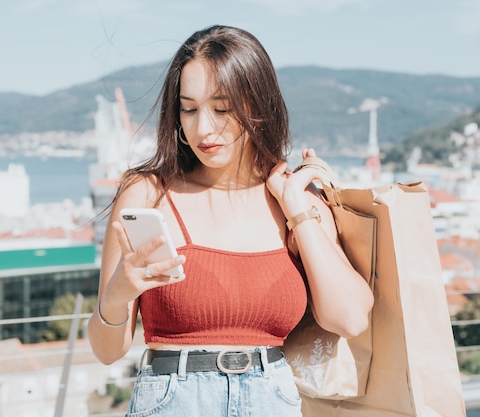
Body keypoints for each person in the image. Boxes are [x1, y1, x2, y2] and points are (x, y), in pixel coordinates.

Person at [87, 25, 374, 416]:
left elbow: (352, 319)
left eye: (221, 109)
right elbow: (106, 352)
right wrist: (118, 294)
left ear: (258, 106)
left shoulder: (295, 203)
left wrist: (299, 213)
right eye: (188, 109)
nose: (203, 128)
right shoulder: (148, 194)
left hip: (274, 400)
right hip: (175, 402)